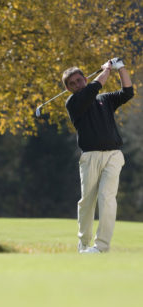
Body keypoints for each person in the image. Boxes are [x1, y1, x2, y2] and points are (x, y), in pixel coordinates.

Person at [62, 58, 134, 253]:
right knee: (87, 202)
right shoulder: (73, 102)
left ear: (85, 79)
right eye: (72, 83)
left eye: (79, 80)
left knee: (107, 198)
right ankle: (83, 243)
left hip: (113, 155)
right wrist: (106, 70)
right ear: (68, 89)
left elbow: (127, 92)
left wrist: (120, 68)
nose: (77, 84)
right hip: (90, 157)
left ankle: (101, 247)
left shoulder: (104, 99)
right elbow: (95, 87)